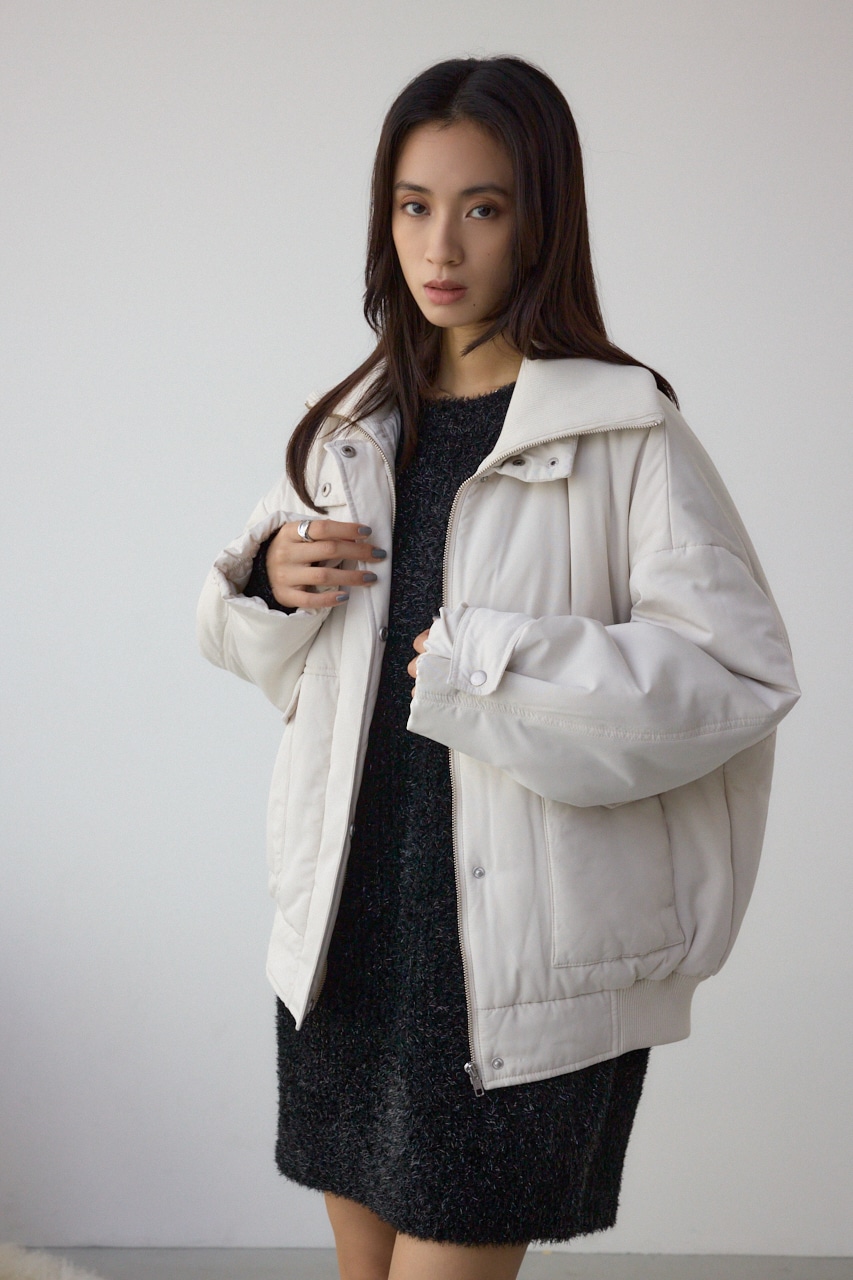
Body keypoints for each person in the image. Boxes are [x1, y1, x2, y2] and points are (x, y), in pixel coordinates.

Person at [196, 55, 799, 1280]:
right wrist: (263, 581)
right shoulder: (354, 426)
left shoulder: (623, 430)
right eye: (414, 205)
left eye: (482, 206)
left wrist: (493, 666)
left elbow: (736, 674)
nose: (441, 245)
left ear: (540, 218)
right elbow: (242, 644)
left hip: (513, 977)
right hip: (347, 937)